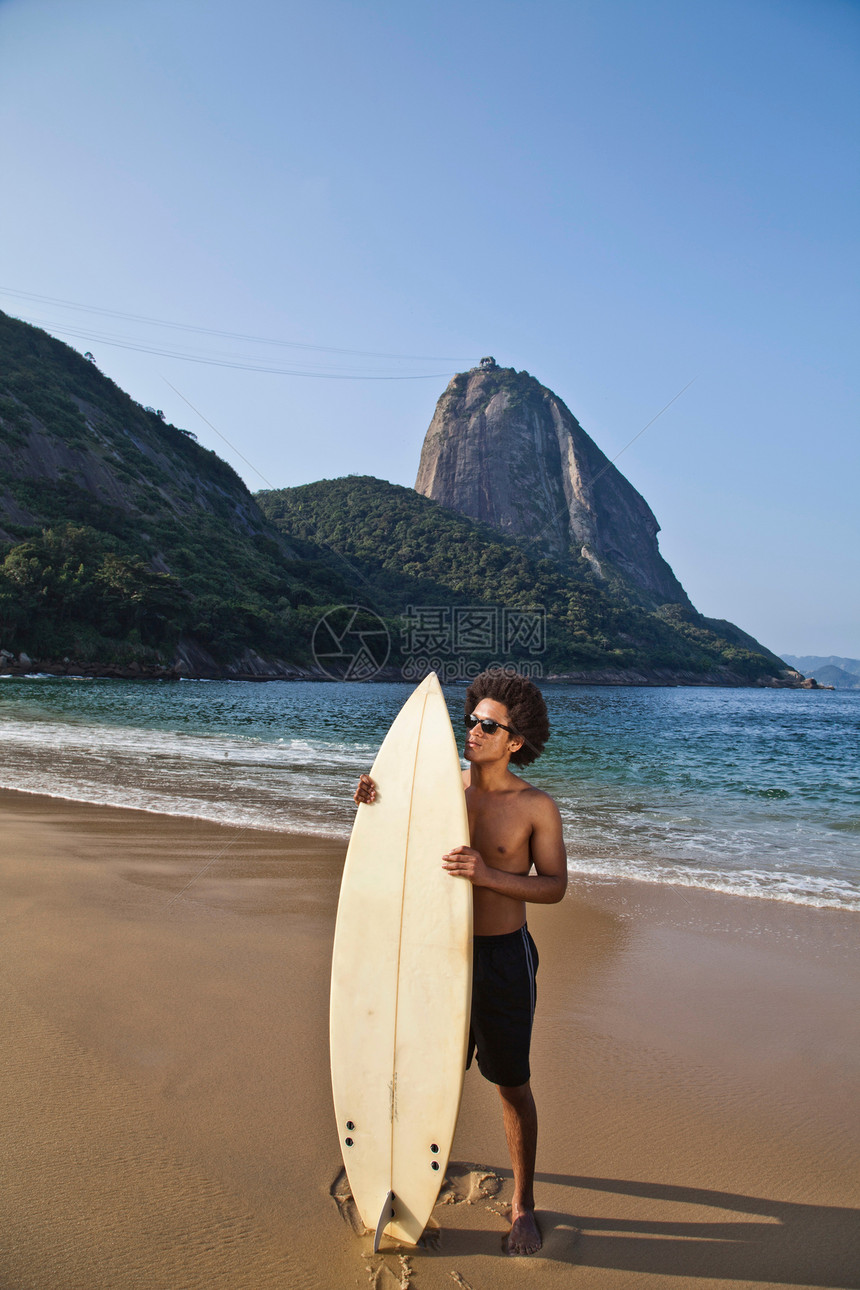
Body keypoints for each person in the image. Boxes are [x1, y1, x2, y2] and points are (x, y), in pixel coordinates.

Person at [354, 669, 567, 1256]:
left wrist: (489, 874)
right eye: (471, 719)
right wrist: (374, 798)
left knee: (510, 1083)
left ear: (514, 740)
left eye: (486, 725)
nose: (471, 730)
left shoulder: (534, 807)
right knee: (422, 1068)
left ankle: (523, 1201)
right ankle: (410, 1170)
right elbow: (392, 838)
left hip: (502, 957)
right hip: (434, 948)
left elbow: (554, 887)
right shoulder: (437, 789)